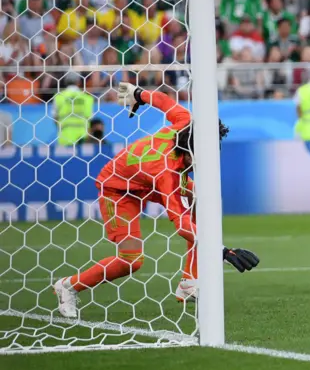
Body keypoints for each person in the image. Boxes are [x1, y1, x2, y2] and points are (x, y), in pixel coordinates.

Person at [53, 82, 260, 318]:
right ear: (190, 154)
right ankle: (68, 286)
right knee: (131, 260)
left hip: (144, 179)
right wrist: (221, 250)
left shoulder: (187, 123)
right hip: (118, 189)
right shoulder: (167, 174)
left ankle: (189, 282)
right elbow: (181, 225)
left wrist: (139, 94)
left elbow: (164, 101)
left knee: (201, 202)